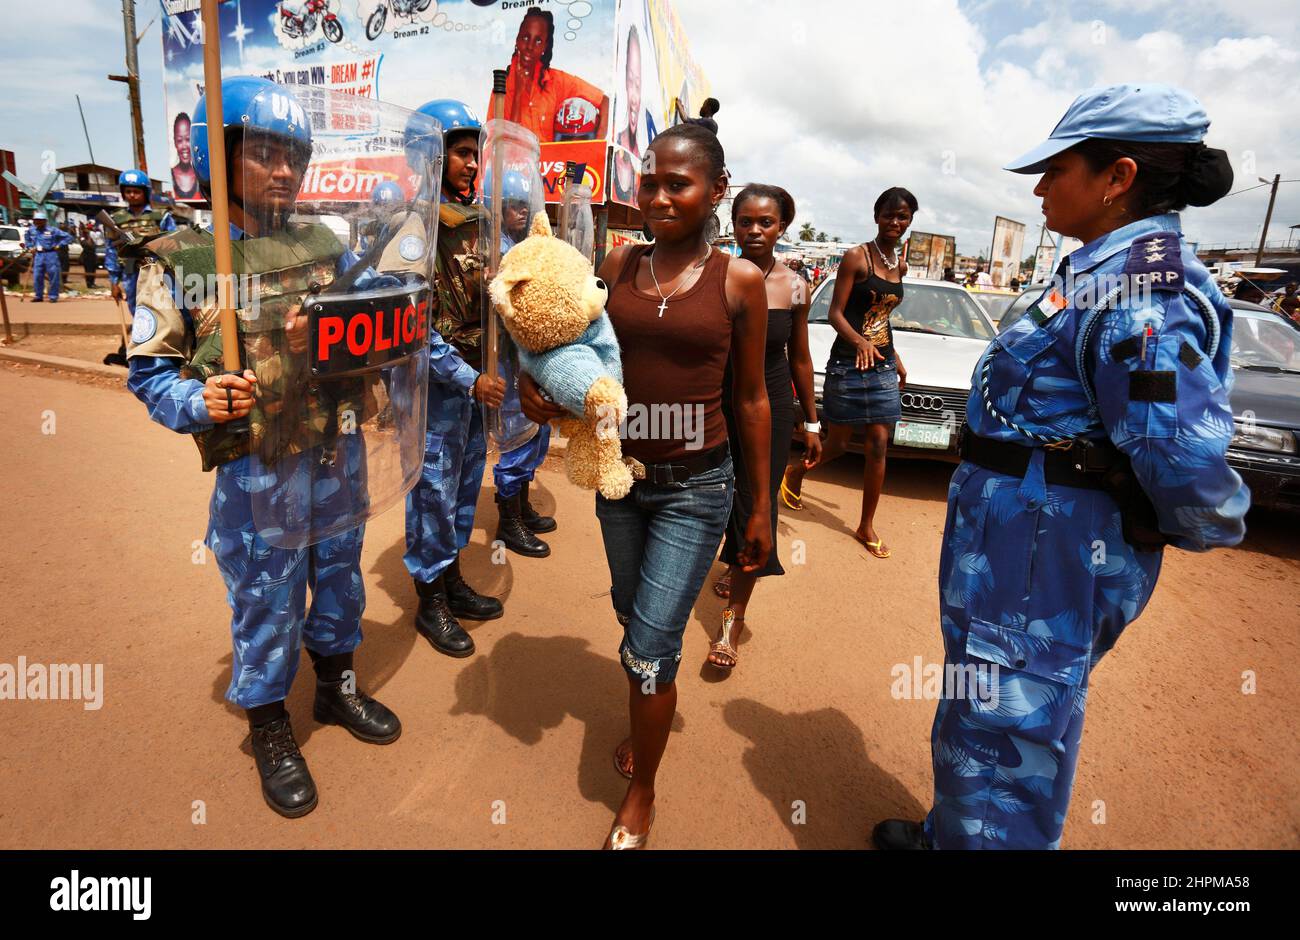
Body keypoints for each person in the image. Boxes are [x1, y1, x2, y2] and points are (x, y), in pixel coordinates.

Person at [872, 83, 1249, 851]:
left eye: (1056, 170)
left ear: (1117, 177)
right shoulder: (1099, 271)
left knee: (1014, 723)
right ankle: (955, 834)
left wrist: (1171, 527)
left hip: (1048, 553)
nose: (1040, 188)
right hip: (1017, 544)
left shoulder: (1143, 292)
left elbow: (1182, 457)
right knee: (983, 702)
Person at [125, 76, 406, 818]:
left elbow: (382, 318)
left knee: (341, 574)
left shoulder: (326, 242)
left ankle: (338, 685)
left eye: (293, 155)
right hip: (259, 471)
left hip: (337, 451)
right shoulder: (180, 258)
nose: (283, 170)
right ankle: (271, 721)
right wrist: (199, 399)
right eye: (263, 153)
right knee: (266, 594)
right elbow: (148, 375)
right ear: (220, 158)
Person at [519, 123, 772, 848]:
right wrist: (541, 395)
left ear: (715, 190)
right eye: (650, 182)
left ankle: (643, 791)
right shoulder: (620, 262)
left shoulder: (740, 280)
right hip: (621, 481)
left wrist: (759, 512)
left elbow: (751, 398)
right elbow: (570, 350)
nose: (659, 196)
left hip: (698, 489)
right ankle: (651, 695)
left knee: (652, 643)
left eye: (678, 184)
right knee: (634, 618)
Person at [402, 98, 508, 659]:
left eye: (475, 154)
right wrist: (468, 379)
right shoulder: (411, 225)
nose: (472, 164)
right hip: (434, 390)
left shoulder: (475, 222)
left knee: (464, 487)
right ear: (429, 156)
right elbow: (412, 328)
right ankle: (429, 599)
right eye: (461, 153)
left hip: (473, 386)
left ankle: (452, 577)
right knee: (432, 493)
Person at [705, 184, 819, 671]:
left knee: (758, 502)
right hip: (712, 401)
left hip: (768, 406)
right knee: (710, 496)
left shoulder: (795, 286)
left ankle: (731, 620)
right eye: (745, 221)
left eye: (765, 222)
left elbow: (801, 356)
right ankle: (726, 559)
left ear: (782, 227)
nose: (754, 230)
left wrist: (811, 420)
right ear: (733, 224)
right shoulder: (713, 275)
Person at [781, 187, 917, 560]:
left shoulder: (900, 266)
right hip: (847, 362)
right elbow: (837, 312)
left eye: (902, 216)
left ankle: (866, 525)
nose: (895, 222)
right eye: (888, 214)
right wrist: (858, 342)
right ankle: (795, 472)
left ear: (910, 221)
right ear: (876, 216)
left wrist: (896, 355)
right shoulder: (858, 257)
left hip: (883, 364)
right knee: (838, 443)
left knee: (878, 443)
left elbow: (882, 318)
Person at [485, 168, 555, 558]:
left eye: (524, 207)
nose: (521, 214)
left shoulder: (523, 244)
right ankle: (508, 521)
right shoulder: (494, 248)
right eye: (513, 207)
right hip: (508, 360)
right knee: (516, 434)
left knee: (534, 431)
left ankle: (522, 505)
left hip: (527, 356)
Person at [495, 7, 609, 144]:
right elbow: (502, 144)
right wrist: (518, 92)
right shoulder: (502, 87)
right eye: (525, 37)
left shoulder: (557, 81)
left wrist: (594, 147)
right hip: (517, 163)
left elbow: (604, 101)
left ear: (545, 46)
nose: (530, 46)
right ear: (517, 40)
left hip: (554, 164)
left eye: (538, 41)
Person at [104, 169, 176, 364]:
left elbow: (173, 244)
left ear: (146, 192)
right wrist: (114, 281)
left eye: (136, 191)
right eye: (128, 191)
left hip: (156, 272)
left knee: (163, 309)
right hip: (130, 273)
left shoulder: (161, 216)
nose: (132, 195)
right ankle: (143, 353)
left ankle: (162, 349)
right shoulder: (115, 220)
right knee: (138, 311)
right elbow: (111, 251)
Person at [611, 24, 643, 205]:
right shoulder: (613, 148)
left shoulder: (647, 158)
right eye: (631, 81)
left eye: (638, 84)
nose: (633, 97)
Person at [23, 211, 73, 303]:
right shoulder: (31, 230)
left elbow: (68, 237)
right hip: (38, 255)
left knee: (53, 275)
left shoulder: (52, 230)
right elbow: (27, 239)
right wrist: (30, 247)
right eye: (36, 220)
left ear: (45, 221)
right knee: (37, 276)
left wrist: (59, 245)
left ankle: (53, 296)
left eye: (40, 220)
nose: (38, 222)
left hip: (51, 254)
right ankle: (38, 296)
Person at [171, 112, 199, 200]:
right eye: (179, 140)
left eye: (188, 139)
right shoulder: (169, 178)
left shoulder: (202, 176)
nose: (184, 146)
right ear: (175, 141)